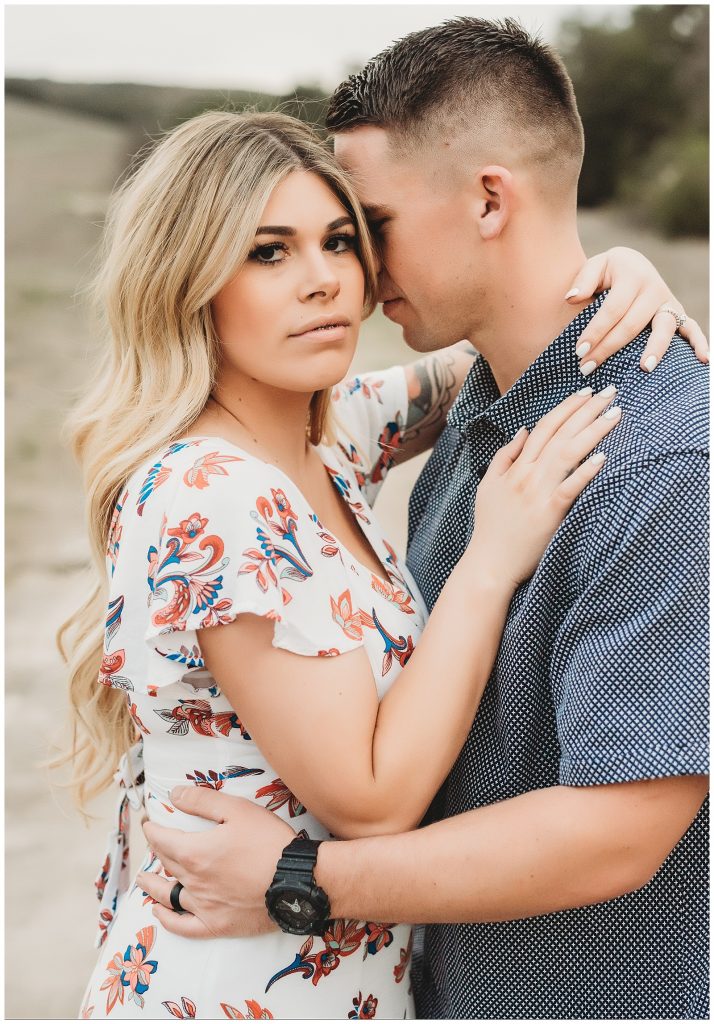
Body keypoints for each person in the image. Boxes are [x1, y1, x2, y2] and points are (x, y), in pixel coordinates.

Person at [138, 18, 710, 1022]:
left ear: (490, 198)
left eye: (370, 225)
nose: (352, 271)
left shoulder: (666, 458)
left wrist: (302, 875)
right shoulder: (477, 395)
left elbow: (624, 828)